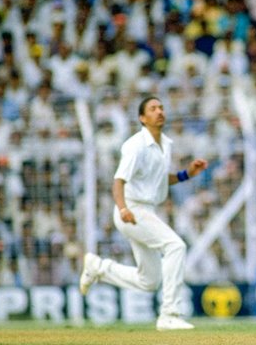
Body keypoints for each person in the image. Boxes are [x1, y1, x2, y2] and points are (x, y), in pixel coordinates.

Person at [79, 95, 208, 331]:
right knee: (176, 246)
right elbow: (118, 181)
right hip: (132, 209)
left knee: (149, 281)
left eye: (161, 107)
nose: (159, 111)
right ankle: (169, 314)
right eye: (153, 108)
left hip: (145, 210)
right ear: (142, 118)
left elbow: (159, 180)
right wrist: (123, 208)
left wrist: (186, 174)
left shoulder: (165, 144)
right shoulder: (135, 145)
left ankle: (98, 268)